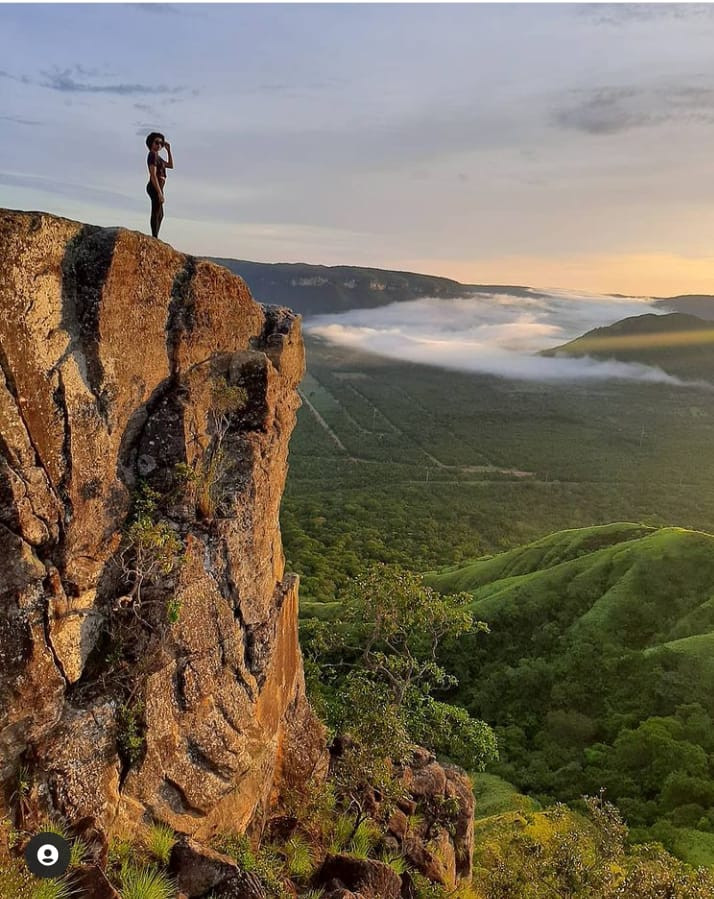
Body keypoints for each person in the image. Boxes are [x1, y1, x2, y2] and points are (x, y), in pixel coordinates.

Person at [145, 132, 174, 238]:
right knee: (156, 212)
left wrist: (169, 150)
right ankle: (154, 236)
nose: (159, 145)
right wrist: (159, 192)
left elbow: (170, 165)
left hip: (159, 187)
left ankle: (155, 236)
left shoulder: (158, 157)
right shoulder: (152, 155)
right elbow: (152, 174)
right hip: (154, 186)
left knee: (160, 214)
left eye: (161, 143)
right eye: (156, 142)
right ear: (151, 143)